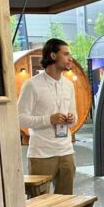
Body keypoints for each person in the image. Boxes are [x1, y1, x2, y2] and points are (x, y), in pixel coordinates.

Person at [18, 38, 77, 195]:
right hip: (41, 154)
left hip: (66, 152)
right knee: (40, 205)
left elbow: (75, 117)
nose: (70, 58)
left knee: (67, 205)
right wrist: (48, 119)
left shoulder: (69, 85)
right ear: (52, 56)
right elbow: (19, 118)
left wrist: (72, 119)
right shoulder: (32, 85)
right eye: (65, 54)